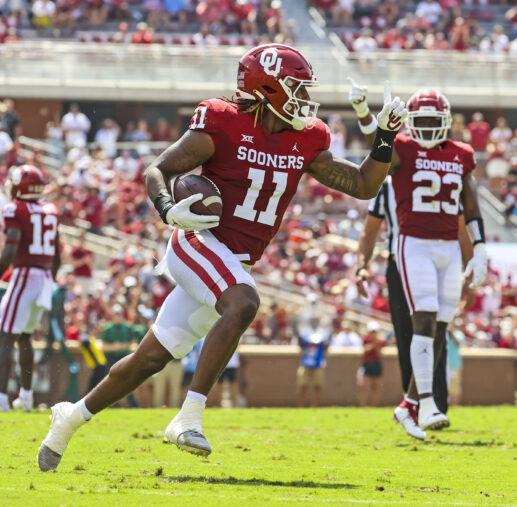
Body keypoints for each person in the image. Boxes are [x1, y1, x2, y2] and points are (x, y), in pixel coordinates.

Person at [37, 43, 408, 470]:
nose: (305, 99)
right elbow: (157, 170)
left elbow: (363, 185)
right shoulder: (223, 122)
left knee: (150, 359)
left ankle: (69, 417)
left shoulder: (308, 138)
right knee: (245, 301)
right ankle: (188, 417)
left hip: (232, 262)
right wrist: (165, 208)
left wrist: (383, 137)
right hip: (196, 242)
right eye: (296, 88)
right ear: (266, 88)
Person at [349, 79, 487, 437]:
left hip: (446, 248)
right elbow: (377, 151)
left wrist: (481, 247)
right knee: (423, 320)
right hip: (413, 245)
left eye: (432, 121)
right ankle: (425, 403)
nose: (425, 128)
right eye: (420, 121)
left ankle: (410, 404)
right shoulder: (404, 149)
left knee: (440, 325)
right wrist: (370, 118)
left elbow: (470, 205)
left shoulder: (461, 153)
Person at [0, 165, 60, 412]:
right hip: (44, 277)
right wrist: (51, 280)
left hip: (24, 275)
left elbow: (10, 249)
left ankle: (0, 400)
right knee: (25, 336)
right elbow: (57, 254)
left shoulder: (15, 208)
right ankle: (27, 397)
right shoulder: (50, 210)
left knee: (7, 335)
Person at [358, 321, 389, 407]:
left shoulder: (380, 341)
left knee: (375, 386)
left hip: (376, 363)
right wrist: (374, 344)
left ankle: (373, 405)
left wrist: (375, 344)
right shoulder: (365, 340)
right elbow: (365, 350)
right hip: (367, 363)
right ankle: (363, 405)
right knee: (363, 385)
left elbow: (379, 354)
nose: (373, 334)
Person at [297, 330, 330, 408]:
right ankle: (300, 406)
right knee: (302, 386)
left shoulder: (322, 338)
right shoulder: (305, 337)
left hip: (318, 365)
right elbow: (300, 346)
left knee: (317, 386)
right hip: (305, 364)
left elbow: (326, 347)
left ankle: (315, 406)